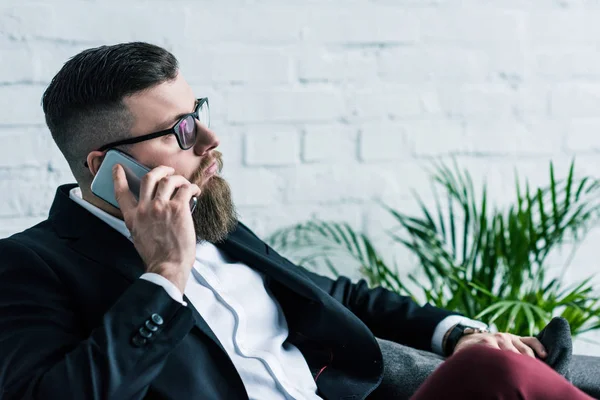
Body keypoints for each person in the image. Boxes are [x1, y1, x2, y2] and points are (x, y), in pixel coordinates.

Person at [0, 42, 593, 400]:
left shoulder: (215, 223)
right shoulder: (30, 265)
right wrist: (164, 276)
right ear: (108, 168)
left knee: (494, 368)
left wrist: (456, 333)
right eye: (181, 130)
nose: (210, 140)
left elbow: (335, 294)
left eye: (198, 113)